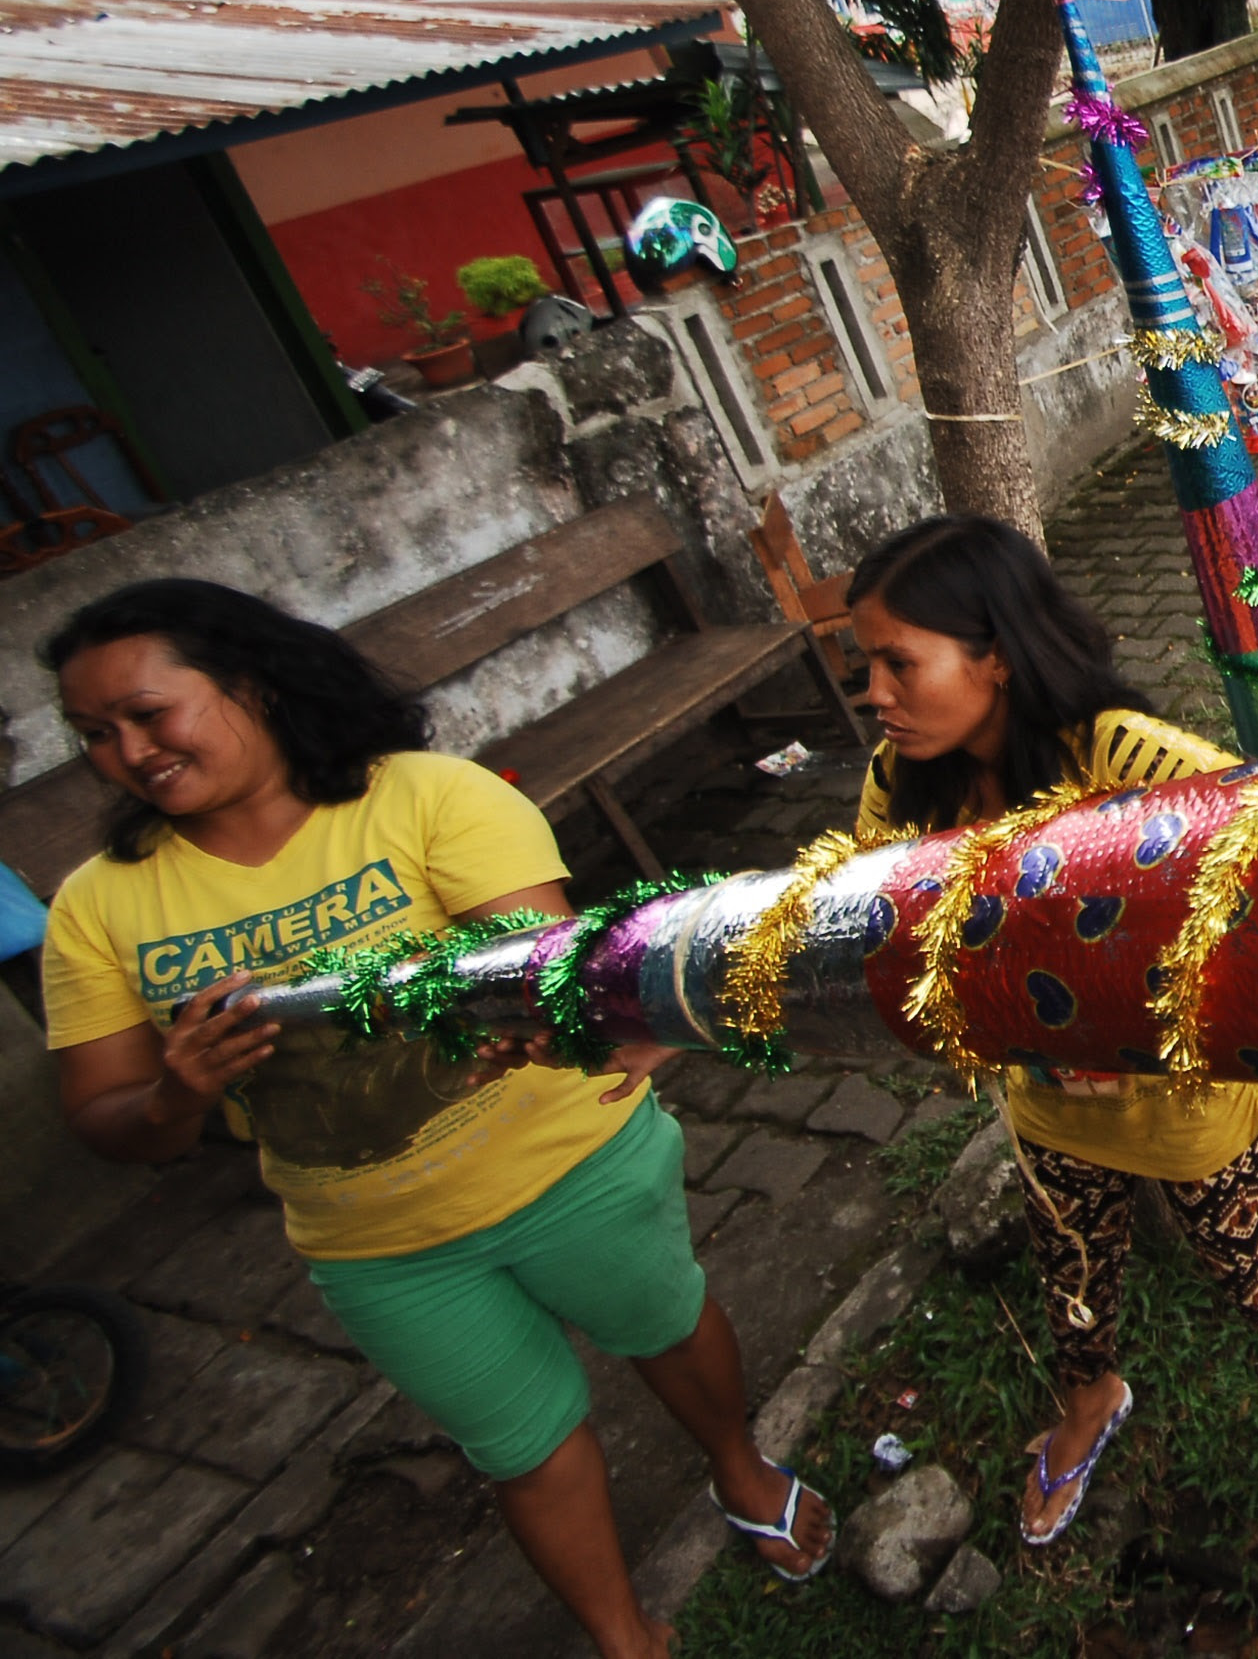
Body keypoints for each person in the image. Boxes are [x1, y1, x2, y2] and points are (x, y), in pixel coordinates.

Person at [39, 581, 827, 1659]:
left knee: (665, 1323)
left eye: (147, 713)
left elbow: (543, 967)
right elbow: (106, 1117)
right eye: (95, 735)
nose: (128, 751)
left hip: (572, 1167)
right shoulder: (99, 904)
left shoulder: (422, 799)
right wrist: (179, 1092)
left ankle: (740, 1463)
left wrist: (535, 1006)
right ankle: (622, 1637)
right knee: (521, 1443)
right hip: (380, 1248)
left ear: (248, 685)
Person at [842, 515, 1258, 1570]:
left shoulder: (1126, 759)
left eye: (897, 662)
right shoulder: (902, 780)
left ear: (997, 656)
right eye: (866, 666)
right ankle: (1090, 1395)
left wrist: (1139, 1029)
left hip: (1195, 1113)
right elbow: (879, 918)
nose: (874, 692)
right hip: (1046, 1111)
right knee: (1073, 1274)